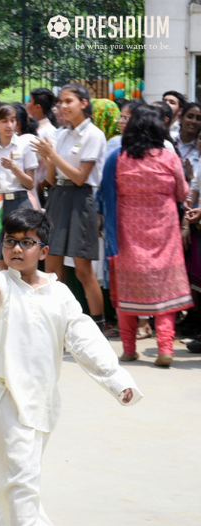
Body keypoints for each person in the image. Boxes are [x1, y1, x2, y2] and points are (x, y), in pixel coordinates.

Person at [0, 208, 140, 526]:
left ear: (43, 250)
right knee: (22, 476)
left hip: (44, 402)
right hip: (6, 399)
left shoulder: (60, 294)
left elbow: (85, 341)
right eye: (10, 241)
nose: (16, 248)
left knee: (16, 473)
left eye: (26, 242)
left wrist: (118, 380)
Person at [97, 105, 192, 367]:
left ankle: (129, 349)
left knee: (128, 291)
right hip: (165, 232)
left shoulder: (119, 158)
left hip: (128, 233)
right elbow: (183, 194)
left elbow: (106, 194)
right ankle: (165, 349)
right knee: (165, 291)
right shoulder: (169, 157)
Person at [30, 84, 107, 328]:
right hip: (57, 197)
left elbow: (80, 177)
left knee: (83, 271)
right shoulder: (61, 134)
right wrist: (47, 158)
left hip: (81, 198)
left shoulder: (93, 134)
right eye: (60, 102)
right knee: (52, 269)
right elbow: (52, 179)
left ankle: (98, 326)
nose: (63, 106)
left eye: (69, 101)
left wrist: (52, 156)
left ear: (84, 103)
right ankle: (56, 325)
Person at [0, 103, 39, 268]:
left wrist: (14, 167)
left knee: (22, 258)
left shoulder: (24, 144)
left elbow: (30, 183)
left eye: (13, 120)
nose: (9, 125)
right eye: (4, 121)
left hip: (20, 202)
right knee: (1, 258)